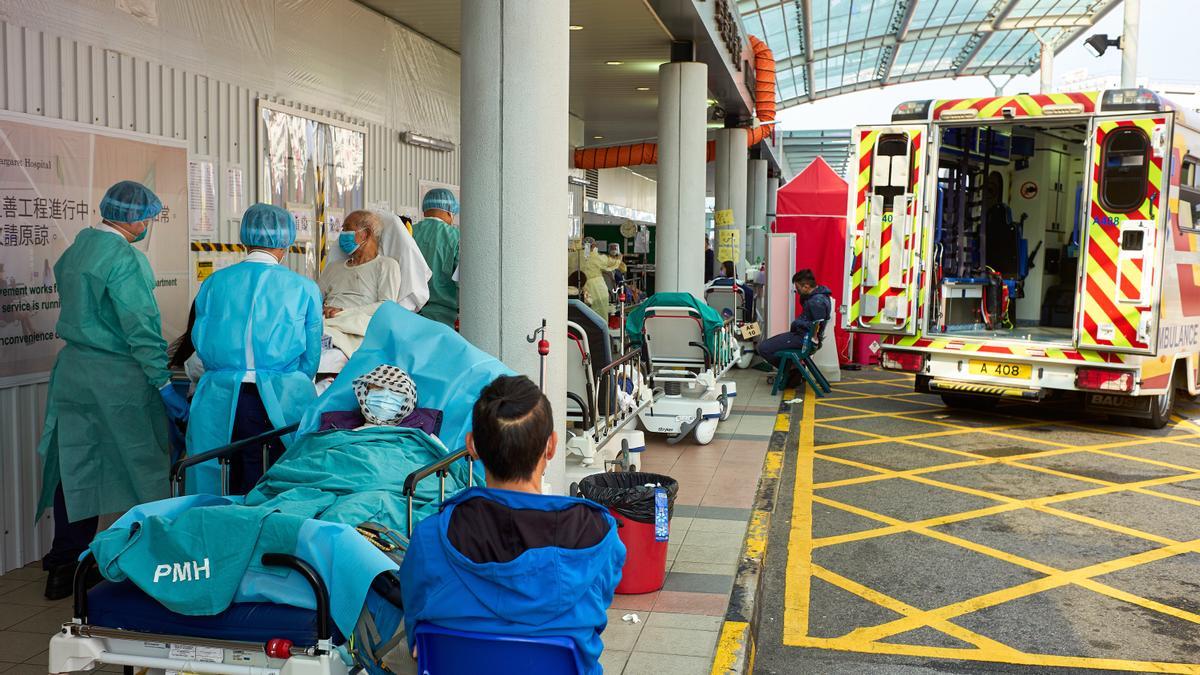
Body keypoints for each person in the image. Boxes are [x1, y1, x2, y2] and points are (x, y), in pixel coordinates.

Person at [400, 375, 625, 675]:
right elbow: (596, 616)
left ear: (472, 446)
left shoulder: (430, 537)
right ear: (552, 446)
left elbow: (416, 624)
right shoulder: (600, 537)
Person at [36, 180, 188, 599]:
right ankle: (153, 565)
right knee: (145, 466)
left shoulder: (78, 247)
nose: (149, 226)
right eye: (150, 219)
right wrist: (162, 381)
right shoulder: (125, 259)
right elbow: (140, 326)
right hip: (118, 378)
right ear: (136, 219)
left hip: (73, 375)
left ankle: (64, 567)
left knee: (77, 467)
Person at [187, 203, 323, 495]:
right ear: (285, 241)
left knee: (220, 477)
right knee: (270, 479)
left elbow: (200, 338)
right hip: (279, 397)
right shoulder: (303, 287)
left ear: (245, 237)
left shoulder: (214, 283)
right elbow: (310, 356)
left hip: (220, 397)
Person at [319, 210, 407, 317]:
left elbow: (386, 307)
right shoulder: (333, 267)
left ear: (366, 233)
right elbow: (315, 298)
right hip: (325, 324)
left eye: (347, 228)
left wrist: (342, 312)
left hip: (355, 327)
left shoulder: (386, 265)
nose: (342, 234)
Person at [756, 269, 832, 368]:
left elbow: (815, 327)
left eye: (797, 287)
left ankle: (791, 370)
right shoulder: (821, 297)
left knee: (763, 348)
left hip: (804, 339)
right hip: (804, 337)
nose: (797, 291)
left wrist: (797, 324)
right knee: (770, 344)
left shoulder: (815, 302)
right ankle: (792, 370)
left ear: (806, 287)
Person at [411, 189, 460, 326]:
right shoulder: (456, 237)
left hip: (409, 315)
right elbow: (464, 282)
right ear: (449, 210)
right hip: (443, 319)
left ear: (425, 209)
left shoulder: (407, 233)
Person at [579, 237, 625, 319]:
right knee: (599, 315)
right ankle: (600, 331)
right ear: (594, 245)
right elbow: (619, 267)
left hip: (580, 289)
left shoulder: (576, 256)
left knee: (584, 314)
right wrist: (619, 259)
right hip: (597, 291)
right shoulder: (599, 258)